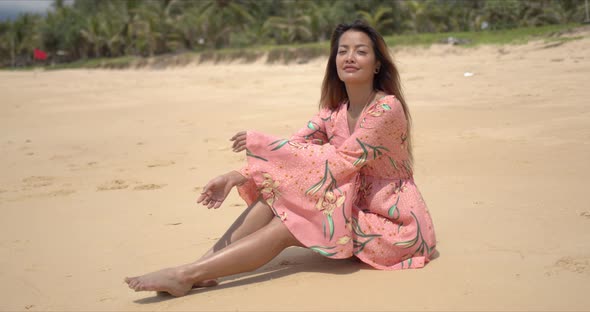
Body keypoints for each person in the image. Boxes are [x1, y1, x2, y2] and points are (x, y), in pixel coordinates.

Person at [125, 20, 437, 297]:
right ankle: (202, 269)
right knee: (272, 195)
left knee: (290, 225)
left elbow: (339, 162)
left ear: (377, 65)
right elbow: (297, 145)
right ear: (334, 61)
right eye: (342, 51)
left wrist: (261, 141)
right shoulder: (334, 111)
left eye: (360, 51)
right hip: (353, 203)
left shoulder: (386, 109)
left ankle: (186, 275)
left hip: (392, 223)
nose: (349, 58)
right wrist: (239, 174)